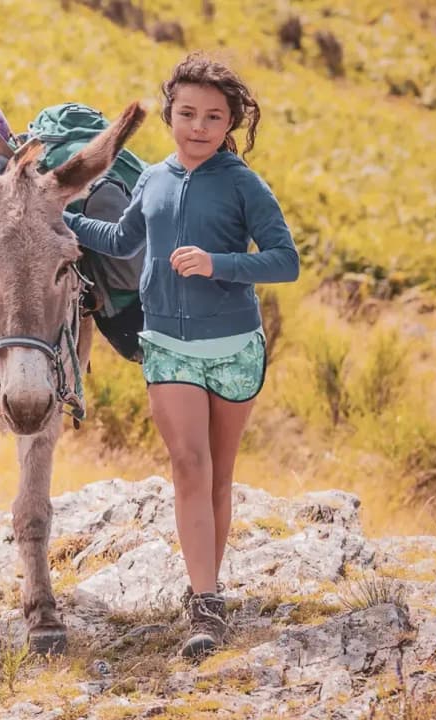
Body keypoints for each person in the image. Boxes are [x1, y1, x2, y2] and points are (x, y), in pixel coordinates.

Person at [62, 52, 299, 658]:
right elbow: (121, 239)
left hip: (234, 347)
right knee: (189, 466)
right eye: (188, 113)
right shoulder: (154, 178)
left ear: (230, 123)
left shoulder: (244, 183)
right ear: (171, 114)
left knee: (219, 473)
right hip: (167, 344)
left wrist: (218, 263)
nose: (198, 126)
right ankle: (205, 604)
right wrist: (54, 217)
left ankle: (209, 592)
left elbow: (284, 259)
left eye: (213, 117)